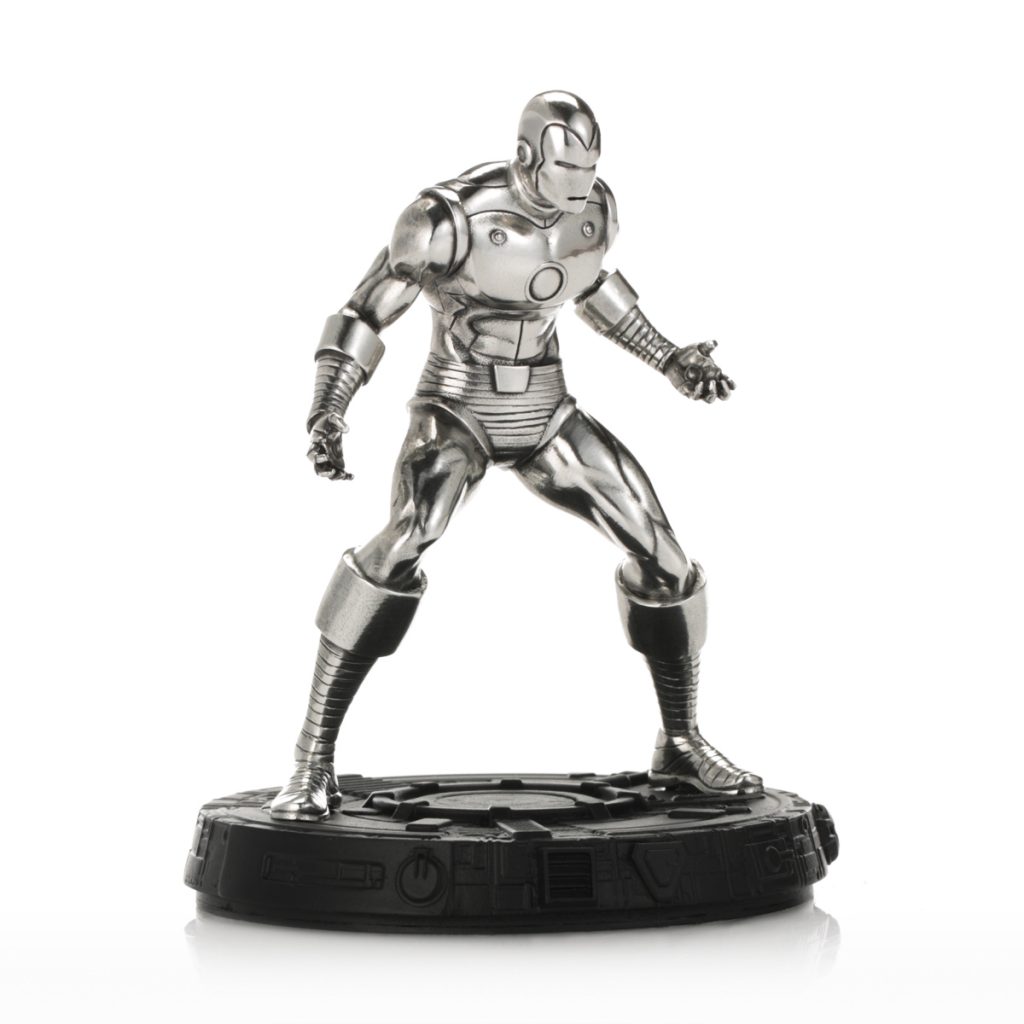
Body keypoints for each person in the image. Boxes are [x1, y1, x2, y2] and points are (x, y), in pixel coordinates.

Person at [270, 91, 762, 821]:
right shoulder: (446, 219)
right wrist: (329, 408)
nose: (581, 183)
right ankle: (312, 757)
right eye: (567, 168)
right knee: (406, 537)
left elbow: (593, 290)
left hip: (545, 413)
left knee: (663, 554)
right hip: (458, 408)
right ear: (529, 157)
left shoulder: (594, 209)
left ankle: (682, 743)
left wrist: (669, 358)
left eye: (590, 168)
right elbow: (364, 311)